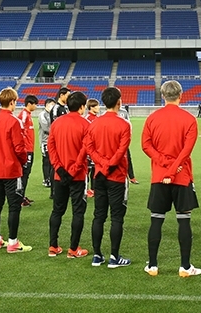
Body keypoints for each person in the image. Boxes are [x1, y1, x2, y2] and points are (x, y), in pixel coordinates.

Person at [142, 80, 201, 278]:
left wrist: (164, 164)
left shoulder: (152, 118)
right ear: (181, 95)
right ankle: (185, 266)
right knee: (184, 220)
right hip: (181, 175)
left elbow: (146, 145)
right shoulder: (189, 119)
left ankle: (152, 266)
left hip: (159, 175)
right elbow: (187, 150)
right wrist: (173, 168)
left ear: (163, 95)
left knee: (156, 221)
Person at [83, 87, 132, 268]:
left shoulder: (93, 123)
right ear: (119, 101)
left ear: (103, 102)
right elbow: (122, 150)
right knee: (117, 217)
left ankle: (97, 255)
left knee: (99, 215)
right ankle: (114, 257)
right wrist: (110, 163)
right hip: (116, 175)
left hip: (99, 174)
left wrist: (102, 164)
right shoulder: (124, 125)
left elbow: (89, 147)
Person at [0, 87, 31, 253]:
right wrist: (24, 161)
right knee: (14, 206)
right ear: (12, 102)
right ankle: (13, 242)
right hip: (11, 169)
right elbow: (19, 148)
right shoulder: (14, 121)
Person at [48, 91, 90, 259]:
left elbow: (51, 148)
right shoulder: (86, 124)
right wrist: (73, 170)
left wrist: (59, 168)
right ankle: (73, 249)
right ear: (82, 107)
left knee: (57, 210)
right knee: (78, 211)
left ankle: (53, 246)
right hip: (78, 175)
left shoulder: (57, 123)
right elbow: (84, 149)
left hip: (60, 175)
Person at [17, 94, 38, 207]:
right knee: (23, 174)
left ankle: (22, 196)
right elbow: (19, 133)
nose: (36, 106)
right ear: (29, 104)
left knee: (26, 174)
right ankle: (19, 198)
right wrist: (24, 149)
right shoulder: (24, 115)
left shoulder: (28, 115)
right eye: (35, 104)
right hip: (26, 150)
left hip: (30, 148)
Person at [117, 106, 138, 184]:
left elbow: (129, 124)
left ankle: (131, 177)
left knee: (128, 158)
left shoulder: (123, 112)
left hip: (123, 140)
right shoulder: (107, 112)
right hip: (115, 140)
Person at [84, 98, 100, 198]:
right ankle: (86, 189)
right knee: (88, 169)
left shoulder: (97, 118)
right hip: (90, 148)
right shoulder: (88, 119)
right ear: (91, 107)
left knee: (95, 169)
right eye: (97, 106)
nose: (99, 107)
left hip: (97, 148)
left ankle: (93, 189)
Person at [39, 98, 55, 189]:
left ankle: (49, 178)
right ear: (47, 104)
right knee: (46, 161)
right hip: (45, 141)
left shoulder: (51, 114)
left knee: (51, 160)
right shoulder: (42, 114)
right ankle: (46, 179)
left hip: (51, 141)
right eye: (51, 104)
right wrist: (56, 132)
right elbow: (45, 128)